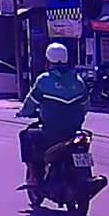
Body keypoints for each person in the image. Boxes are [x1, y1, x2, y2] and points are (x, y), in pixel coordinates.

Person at [17, 42, 88, 187]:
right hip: (74, 130)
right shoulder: (78, 80)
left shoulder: (44, 80)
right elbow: (86, 106)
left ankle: (33, 177)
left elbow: (30, 103)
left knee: (26, 136)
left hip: (51, 131)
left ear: (48, 60)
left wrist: (22, 113)